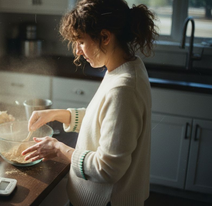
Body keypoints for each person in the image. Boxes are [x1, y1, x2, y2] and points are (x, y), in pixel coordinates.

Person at [21, 0, 159, 205]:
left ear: (105, 37)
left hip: (107, 201)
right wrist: (60, 114)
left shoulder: (124, 88)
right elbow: (105, 122)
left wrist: (60, 149)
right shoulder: (125, 68)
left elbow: (106, 169)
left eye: (81, 42)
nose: (77, 51)